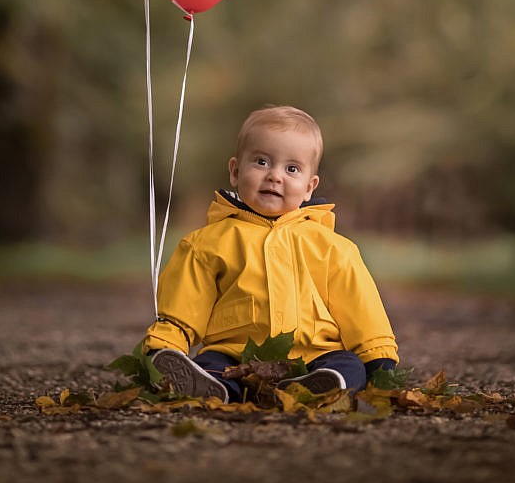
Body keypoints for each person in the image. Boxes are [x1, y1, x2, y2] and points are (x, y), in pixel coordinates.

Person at [142, 105, 398, 403]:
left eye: (292, 169)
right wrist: (163, 346)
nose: (275, 176)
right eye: (261, 162)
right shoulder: (206, 244)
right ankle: (219, 390)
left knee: (349, 367)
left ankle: (314, 388)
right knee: (210, 365)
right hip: (235, 356)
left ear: (308, 187)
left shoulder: (333, 248)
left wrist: (378, 360)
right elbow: (182, 308)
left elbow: (362, 309)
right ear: (236, 171)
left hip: (312, 356)